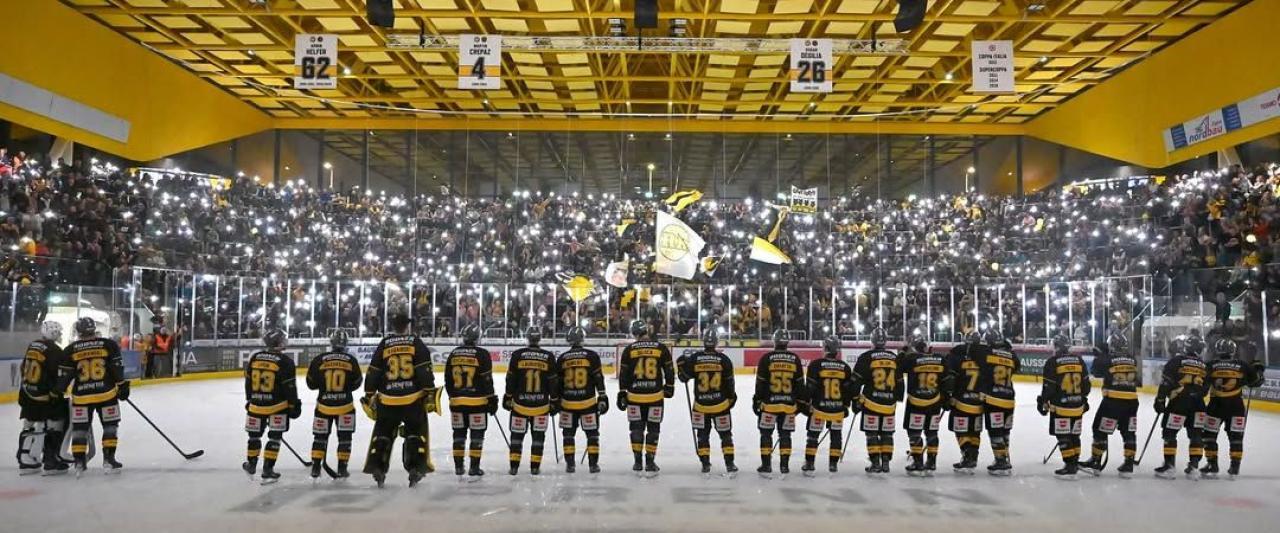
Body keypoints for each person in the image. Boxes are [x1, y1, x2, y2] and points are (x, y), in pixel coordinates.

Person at [362, 312, 437, 487]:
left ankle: (378, 467)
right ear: (407, 326)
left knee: (383, 433)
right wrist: (429, 391)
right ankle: (415, 468)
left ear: (393, 327)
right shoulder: (415, 342)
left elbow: (373, 371)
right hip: (412, 399)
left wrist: (369, 393)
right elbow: (423, 369)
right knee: (415, 433)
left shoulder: (385, 344)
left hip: (387, 400)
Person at [57, 317, 129, 477]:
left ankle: (79, 463)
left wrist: (58, 391)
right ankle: (109, 460)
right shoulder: (108, 345)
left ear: (78, 331)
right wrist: (122, 385)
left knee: (80, 429)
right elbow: (116, 367)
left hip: (81, 397)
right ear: (94, 329)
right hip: (106, 394)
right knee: (110, 426)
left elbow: (64, 376)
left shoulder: (70, 350)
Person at [1200, 338, 1265, 479]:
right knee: (1236, 437)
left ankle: (1212, 465)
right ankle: (1234, 467)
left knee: (1209, 436)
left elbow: (1203, 387)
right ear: (1233, 350)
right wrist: (1258, 369)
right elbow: (1256, 382)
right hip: (1236, 406)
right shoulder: (1242, 365)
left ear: (1217, 350)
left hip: (1216, 406)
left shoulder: (1210, 365)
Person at [617, 319, 675, 477]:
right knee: (653, 429)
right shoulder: (660, 348)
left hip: (634, 396)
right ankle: (650, 462)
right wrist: (669, 387)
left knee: (636, 428)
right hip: (655, 396)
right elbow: (669, 371)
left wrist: (622, 392)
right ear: (647, 331)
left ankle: (637, 461)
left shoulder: (629, 350)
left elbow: (623, 375)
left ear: (634, 333)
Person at [677, 328, 738, 476]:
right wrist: (732, 398)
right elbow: (730, 384)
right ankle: (729, 464)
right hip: (721, 405)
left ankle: (705, 464)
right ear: (716, 342)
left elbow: (683, 378)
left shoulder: (695, 358)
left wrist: (680, 366)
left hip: (700, 406)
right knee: (726, 435)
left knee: (702, 435)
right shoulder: (724, 360)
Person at [242, 328, 300, 484]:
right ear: (279, 342)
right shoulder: (286, 362)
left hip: (256, 406)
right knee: (275, 437)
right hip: (278, 407)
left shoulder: (255, 358)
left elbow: (248, 383)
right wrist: (294, 404)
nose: (285, 341)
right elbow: (290, 387)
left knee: (254, 436)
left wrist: (250, 399)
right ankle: (268, 469)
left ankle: (251, 464)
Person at [1081, 331, 1140, 477]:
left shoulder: (1106, 359)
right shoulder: (1132, 359)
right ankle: (1128, 464)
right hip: (1132, 401)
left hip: (1113, 401)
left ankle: (1096, 460)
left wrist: (1101, 355)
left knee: (1099, 430)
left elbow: (1095, 372)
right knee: (1129, 432)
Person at [305, 329, 362, 479]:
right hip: (345, 407)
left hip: (323, 406)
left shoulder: (319, 359)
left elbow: (311, 384)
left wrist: (324, 388)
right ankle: (342, 468)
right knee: (345, 438)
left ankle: (316, 467)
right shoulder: (351, 360)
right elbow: (357, 383)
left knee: (319, 437)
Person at [17, 320, 70, 476]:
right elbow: (60, 374)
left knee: (29, 424)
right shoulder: (55, 350)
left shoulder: (32, 345)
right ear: (53, 333)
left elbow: (23, 368)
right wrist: (56, 392)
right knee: (56, 423)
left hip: (27, 393)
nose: (60, 334)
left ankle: (25, 460)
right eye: (58, 332)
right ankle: (51, 461)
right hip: (45, 395)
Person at [504, 326, 558, 476]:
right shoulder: (548, 356)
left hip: (520, 405)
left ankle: (514, 467)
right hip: (541, 406)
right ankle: (534, 467)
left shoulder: (517, 355)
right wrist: (554, 401)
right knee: (538, 437)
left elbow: (511, 379)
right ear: (539, 338)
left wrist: (508, 396)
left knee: (516, 436)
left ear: (527, 337)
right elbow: (553, 383)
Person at [1153, 333, 1208, 480]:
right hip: (1198, 405)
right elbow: (1205, 390)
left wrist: (1160, 400)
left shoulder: (1177, 361)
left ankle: (1170, 467)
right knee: (1196, 434)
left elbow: (1166, 383)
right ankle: (1194, 467)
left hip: (1179, 403)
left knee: (1170, 433)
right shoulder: (1204, 365)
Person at [752, 329, 806, 478]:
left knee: (765, 435)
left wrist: (757, 400)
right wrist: (801, 403)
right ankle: (784, 466)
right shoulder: (795, 359)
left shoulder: (766, 358)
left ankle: (766, 465)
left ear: (775, 341)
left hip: (769, 405)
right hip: (789, 406)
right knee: (785, 435)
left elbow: (760, 384)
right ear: (787, 342)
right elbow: (800, 385)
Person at [444, 324, 496, 478]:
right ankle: (474, 467)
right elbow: (487, 381)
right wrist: (491, 399)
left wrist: (453, 396)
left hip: (457, 403)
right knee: (477, 435)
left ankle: (459, 467)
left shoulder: (453, 354)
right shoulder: (482, 354)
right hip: (478, 403)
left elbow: (448, 380)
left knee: (458, 434)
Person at [1038, 333, 1091, 480]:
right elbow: (1086, 386)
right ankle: (1074, 461)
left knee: (1063, 436)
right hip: (1077, 406)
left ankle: (1070, 465)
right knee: (1075, 435)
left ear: (1056, 347)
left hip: (1061, 407)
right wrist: (1082, 399)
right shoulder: (1079, 361)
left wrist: (1042, 401)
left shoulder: (1052, 362)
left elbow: (1049, 388)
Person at [556, 325, 607, 474]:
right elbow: (599, 379)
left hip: (568, 404)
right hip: (588, 403)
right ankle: (593, 465)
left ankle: (570, 465)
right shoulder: (592, 356)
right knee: (592, 434)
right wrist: (602, 397)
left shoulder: (562, 358)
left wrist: (556, 400)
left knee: (568, 435)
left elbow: (557, 383)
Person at [899, 333, 950, 477]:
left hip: (916, 402)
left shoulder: (912, 358)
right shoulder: (940, 359)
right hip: (934, 402)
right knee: (932, 432)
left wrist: (903, 351)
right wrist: (946, 399)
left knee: (914, 432)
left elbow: (897, 365)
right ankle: (932, 461)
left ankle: (918, 462)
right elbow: (947, 380)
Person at [802, 335, 854, 476]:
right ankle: (833, 464)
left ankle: (810, 463)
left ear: (825, 348)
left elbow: (810, 388)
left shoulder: (816, 365)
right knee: (836, 436)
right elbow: (848, 391)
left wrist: (805, 403)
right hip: (837, 410)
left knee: (813, 436)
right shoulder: (845, 367)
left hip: (818, 409)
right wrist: (846, 405)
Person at [852, 327, 902, 475]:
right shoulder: (894, 357)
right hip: (889, 404)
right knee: (887, 433)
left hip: (871, 402)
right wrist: (897, 398)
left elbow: (856, 381)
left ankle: (875, 463)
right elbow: (899, 382)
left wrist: (855, 399)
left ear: (872, 340)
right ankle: (885, 462)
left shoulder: (866, 357)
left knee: (872, 433)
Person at [979, 329, 1019, 476]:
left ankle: (1001, 460)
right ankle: (1004, 456)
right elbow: (1017, 367)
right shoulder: (1012, 356)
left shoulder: (986, 354)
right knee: (1005, 430)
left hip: (993, 399)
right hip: (1009, 399)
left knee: (995, 431)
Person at [946, 331, 987, 474]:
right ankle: (973, 456)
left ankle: (967, 454)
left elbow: (951, 379)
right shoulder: (985, 360)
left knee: (960, 429)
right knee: (975, 431)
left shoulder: (957, 358)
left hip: (961, 401)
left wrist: (949, 395)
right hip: (978, 402)